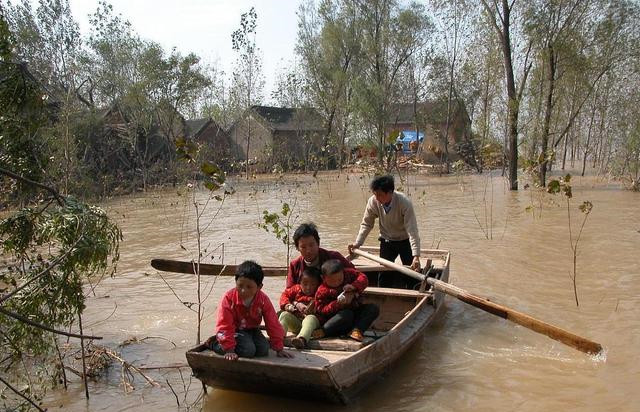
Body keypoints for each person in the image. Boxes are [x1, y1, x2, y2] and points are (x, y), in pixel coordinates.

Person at [207, 260, 293, 361]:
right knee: (248, 350)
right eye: (240, 286)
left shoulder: (263, 300)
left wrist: (279, 348)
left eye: (249, 287)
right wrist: (229, 350)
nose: (244, 290)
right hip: (234, 330)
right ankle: (214, 343)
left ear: (259, 287)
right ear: (236, 282)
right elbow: (224, 324)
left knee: (263, 350)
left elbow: (272, 323)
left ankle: (238, 342)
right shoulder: (228, 298)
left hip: (252, 330)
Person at [348, 174, 421, 271]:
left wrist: (416, 255)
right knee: (383, 274)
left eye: (380, 195)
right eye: (375, 194)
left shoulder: (404, 203)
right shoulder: (373, 201)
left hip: (404, 240)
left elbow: (412, 230)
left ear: (390, 192)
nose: (377, 198)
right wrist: (357, 243)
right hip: (386, 240)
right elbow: (367, 224)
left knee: (411, 272)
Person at [314, 259, 379, 342]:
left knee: (373, 308)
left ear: (343, 272)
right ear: (323, 278)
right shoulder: (322, 291)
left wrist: (353, 286)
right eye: (333, 281)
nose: (337, 283)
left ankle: (357, 330)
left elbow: (363, 278)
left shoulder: (349, 274)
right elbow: (320, 310)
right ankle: (324, 331)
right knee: (346, 314)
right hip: (336, 321)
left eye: (340, 279)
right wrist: (337, 304)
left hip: (354, 314)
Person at [287, 222, 355, 288]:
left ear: (318, 243)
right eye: (303, 247)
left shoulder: (334, 257)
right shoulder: (295, 266)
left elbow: (357, 276)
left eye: (311, 245)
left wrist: (350, 292)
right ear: (297, 248)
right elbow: (288, 293)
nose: (308, 251)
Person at [278, 267, 322, 349]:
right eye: (305, 284)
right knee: (284, 315)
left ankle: (302, 339)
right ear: (300, 283)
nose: (308, 287)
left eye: (313, 284)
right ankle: (279, 336)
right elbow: (285, 295)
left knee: (310, 318)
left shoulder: (320, 292)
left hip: (312, 327)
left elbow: (323, 306)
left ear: (318, 284)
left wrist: (313, 308)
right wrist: (288, 305)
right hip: (297, 322)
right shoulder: (296, 289)